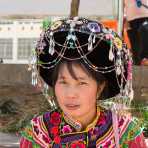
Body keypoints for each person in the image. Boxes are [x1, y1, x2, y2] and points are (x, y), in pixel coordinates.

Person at [20, 17, 147, 147]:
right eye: (63, 82)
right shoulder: (37, 133)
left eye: (81, 83)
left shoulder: (125, 133)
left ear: (100, 87)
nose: (70, 94)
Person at [124, 0, 148, 65]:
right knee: (135, 45)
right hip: (131, 19)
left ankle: (145, 57)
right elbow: (124, 5)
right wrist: (125, 18)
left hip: (145, 16)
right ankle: (137, 63)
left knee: (145, 32)